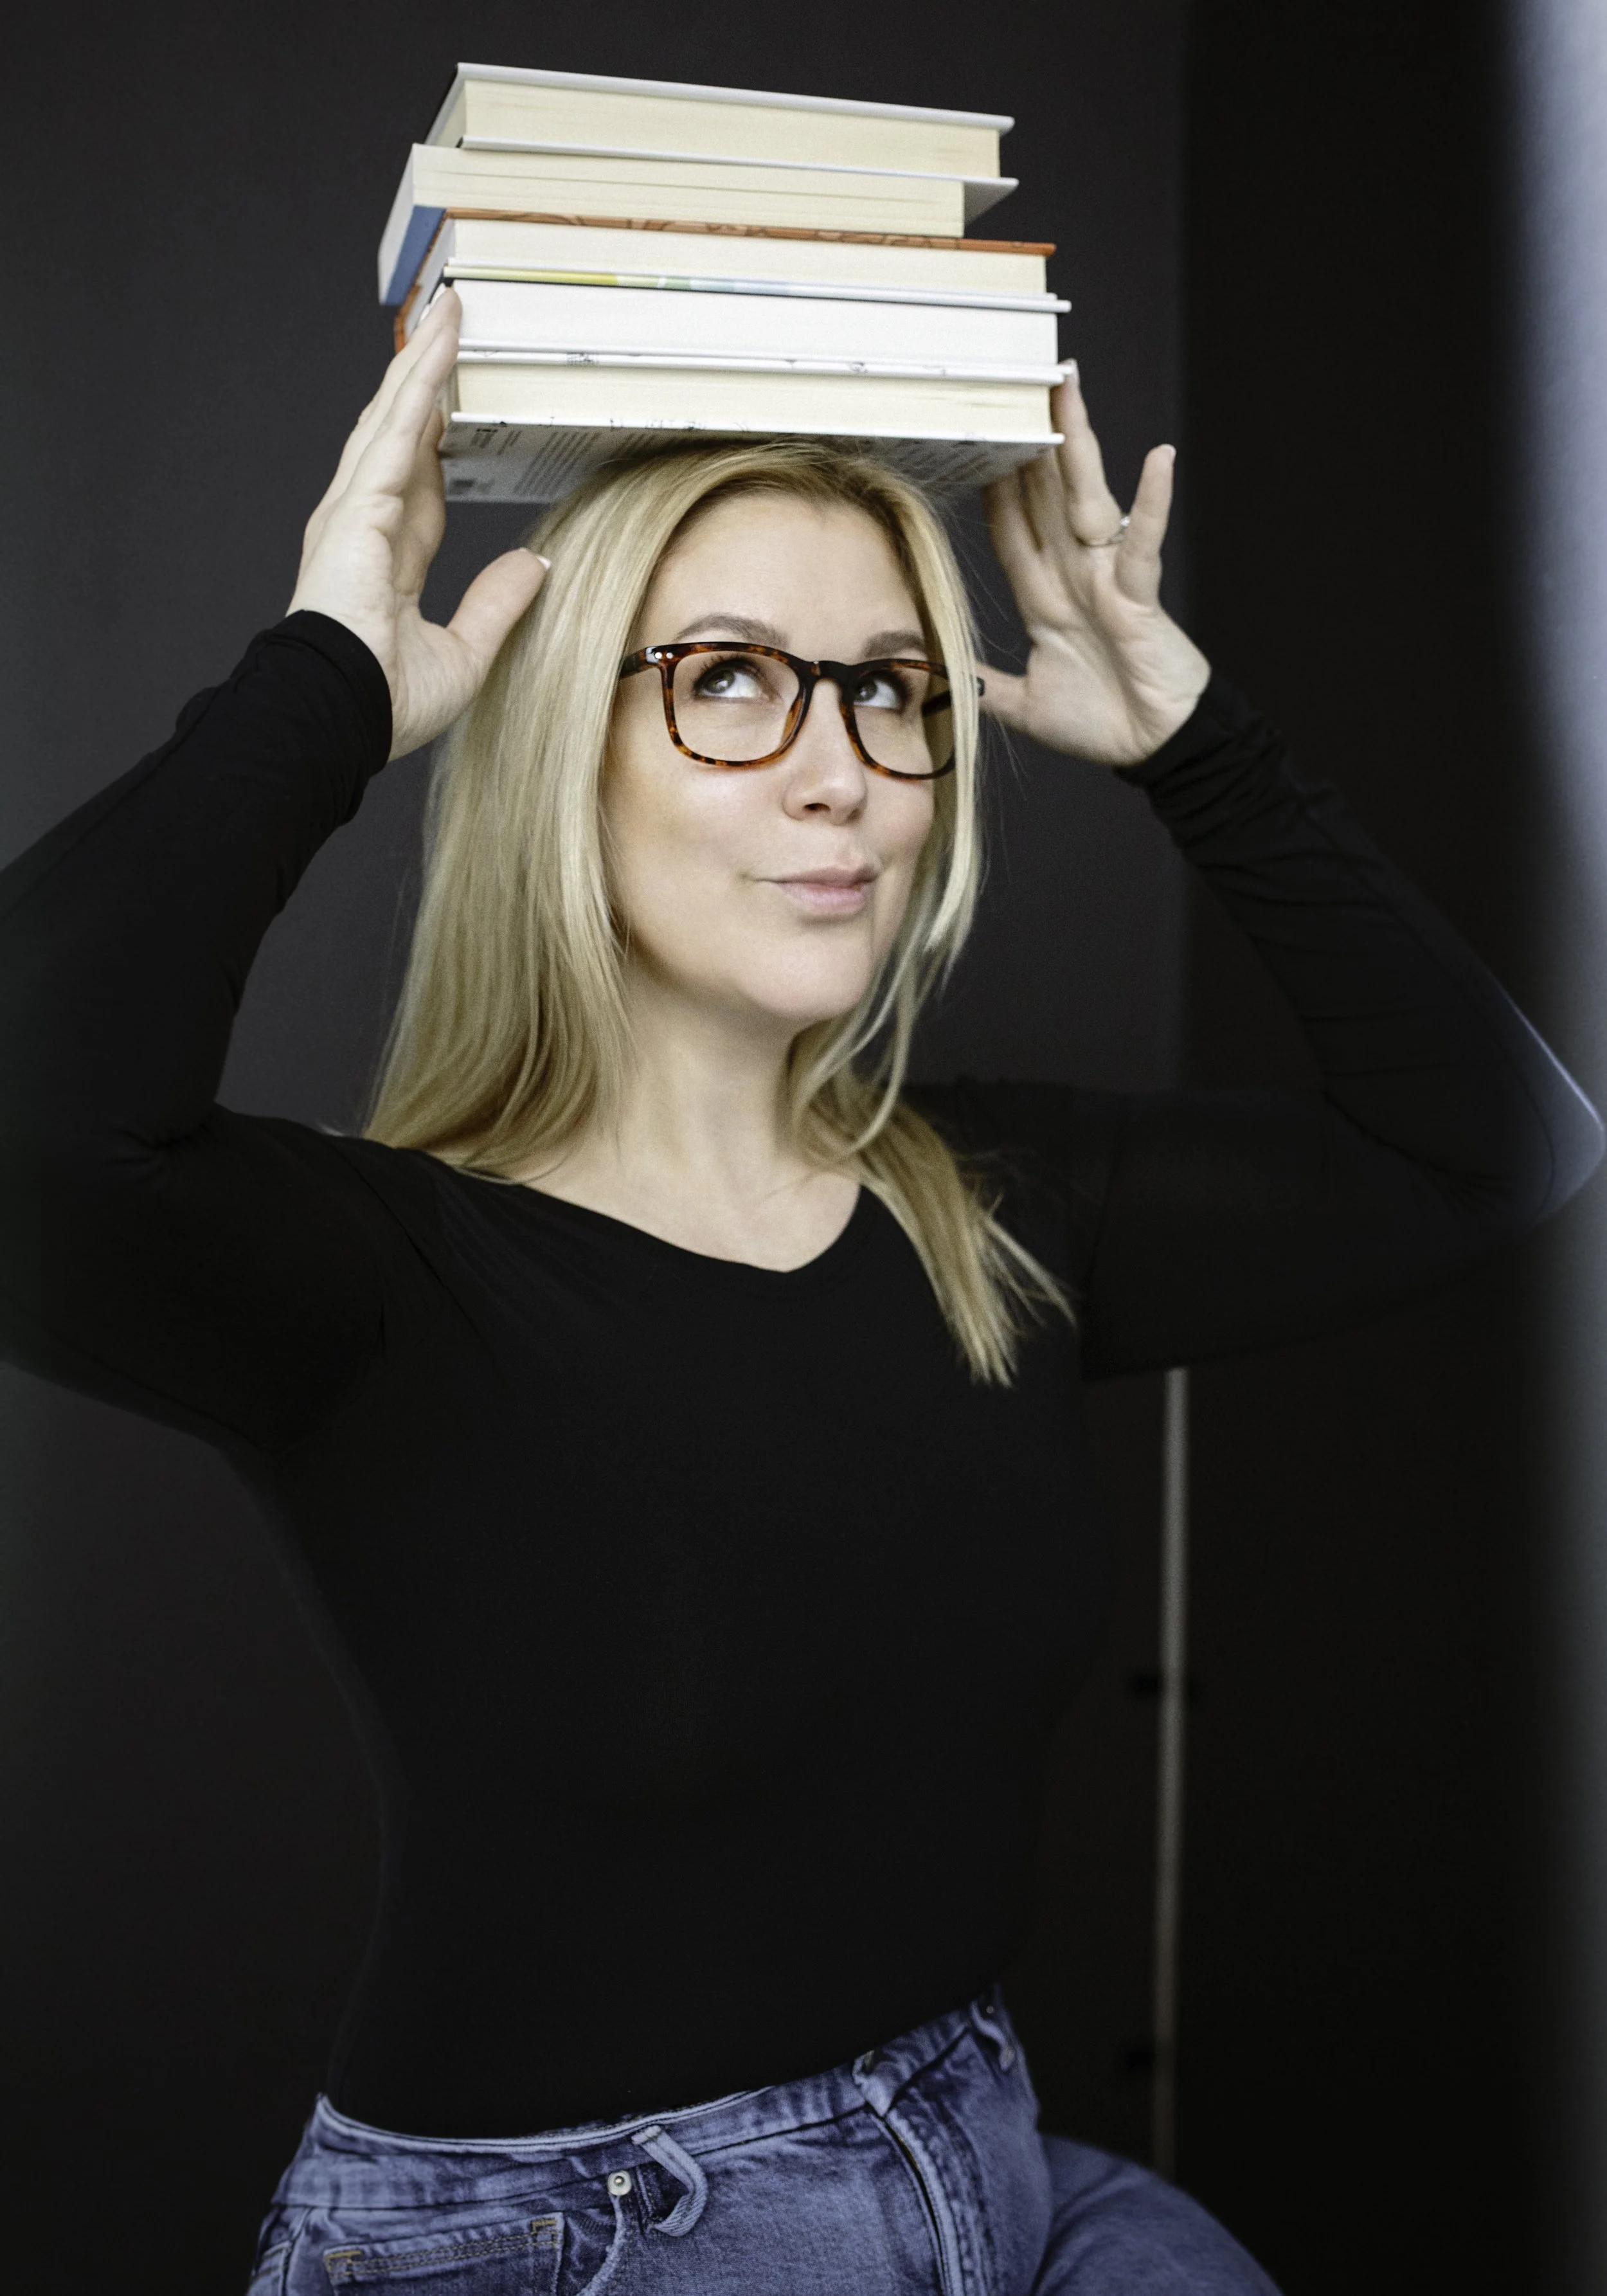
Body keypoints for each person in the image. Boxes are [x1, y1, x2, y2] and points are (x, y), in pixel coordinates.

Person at [0, 288, 1596, 2296]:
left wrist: (1195, 745)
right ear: (563, 742)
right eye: (733, 681)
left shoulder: (990, 1207)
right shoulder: (381, 1281)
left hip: (989, 2159)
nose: (840, 772)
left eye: (890, 689)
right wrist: (320, 681)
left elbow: (1489, 1147)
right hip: (589, 2243)